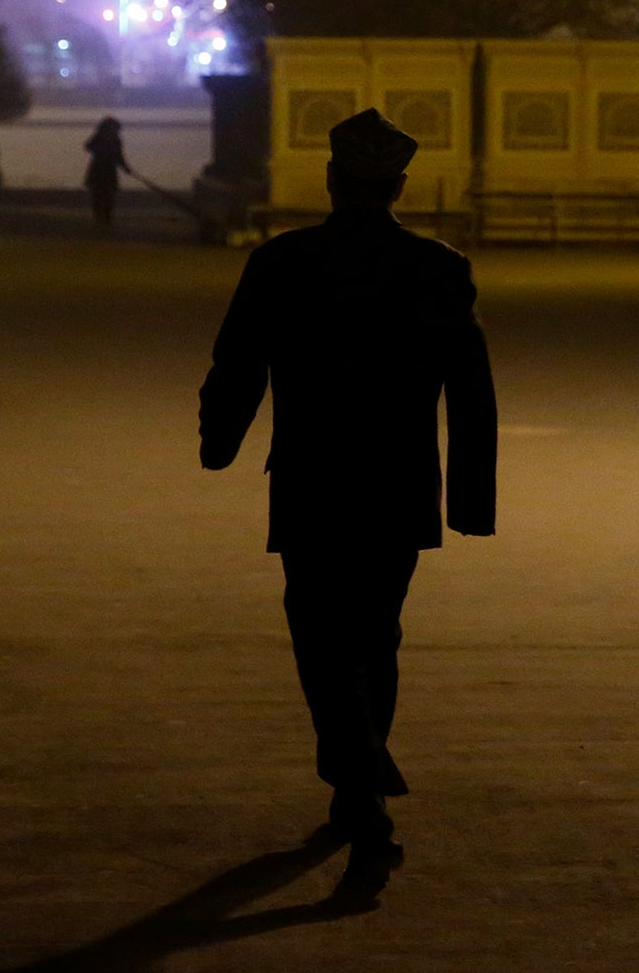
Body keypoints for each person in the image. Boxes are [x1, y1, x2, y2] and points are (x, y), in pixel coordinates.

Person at [197, 106, 496, 874]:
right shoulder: (437, 269)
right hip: (398, 485)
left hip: (312, 480)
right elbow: (470, 391)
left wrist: (219, 441)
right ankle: (361, 781)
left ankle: (358, 782)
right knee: (376, 634)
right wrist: (470, 500)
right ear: (399, 185)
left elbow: (238, 364)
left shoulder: (283, 263)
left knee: (320, 636)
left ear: (331, 180)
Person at [84, 115, 127, 228]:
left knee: (107, 196)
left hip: (105, 170)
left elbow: (119, 156)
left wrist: (125, 167)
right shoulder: (100, 138)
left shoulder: (114, 140)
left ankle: (105, 218)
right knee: (99, 196)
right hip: (101, 170)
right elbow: (88, 147)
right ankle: (100, 218)